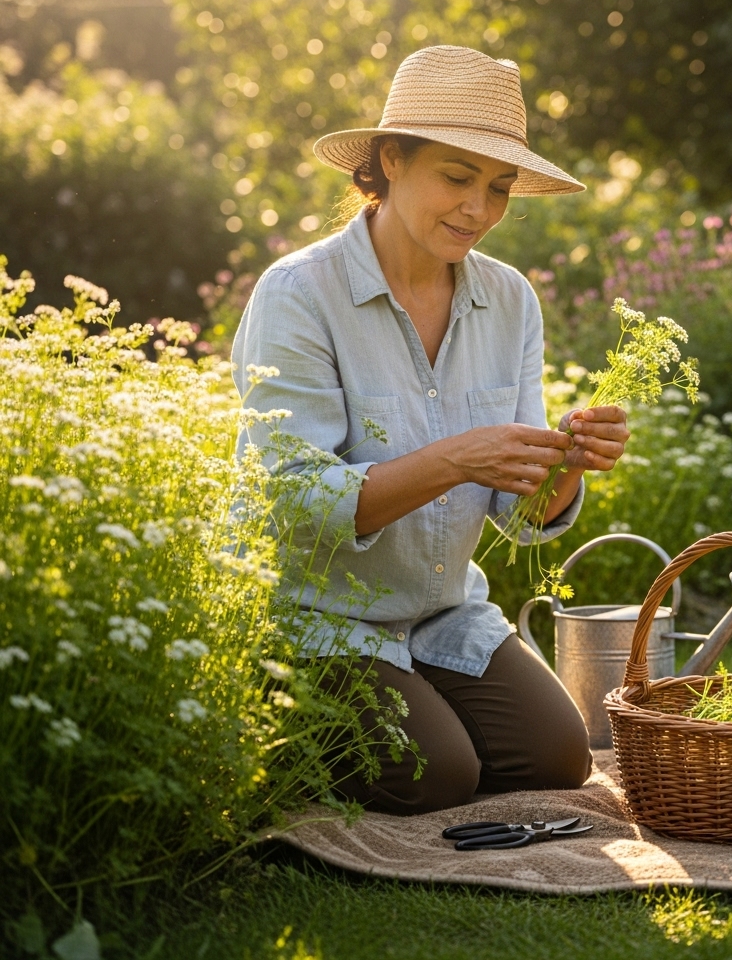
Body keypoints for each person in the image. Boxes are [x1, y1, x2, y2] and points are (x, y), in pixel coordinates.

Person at [232, 45, 631, 814]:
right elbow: (295, 504)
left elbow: (521, 517)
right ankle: (264, 716)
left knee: (558, 755)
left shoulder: (509, 300)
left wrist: (568, 463)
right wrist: (452, 460)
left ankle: (416, 703)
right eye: (457, 177)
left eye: (499, 188)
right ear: (390, 160)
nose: (478, 210)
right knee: (437, 773)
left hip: (442, 612)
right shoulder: (299, 296)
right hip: (318, 614)